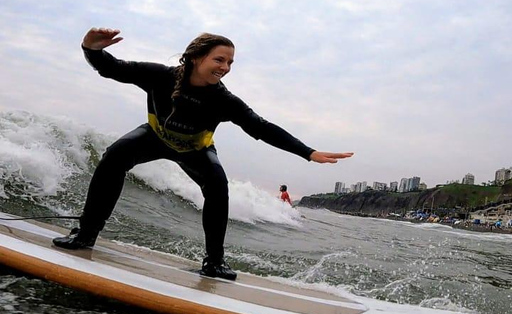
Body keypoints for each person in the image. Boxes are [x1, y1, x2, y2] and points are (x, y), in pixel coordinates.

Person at [53, 27, 353, 281]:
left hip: (196, 149)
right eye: (220, 59)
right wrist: (90, 48)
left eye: (230, 63)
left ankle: (214, 261)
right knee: (114, 157)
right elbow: (112, 68)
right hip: (154, 137)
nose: (225, 67)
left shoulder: (224, 100)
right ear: (196, 57)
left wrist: (308, 152)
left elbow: (260, 127)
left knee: (217, 186)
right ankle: (86, 234)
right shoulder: (160, 76)